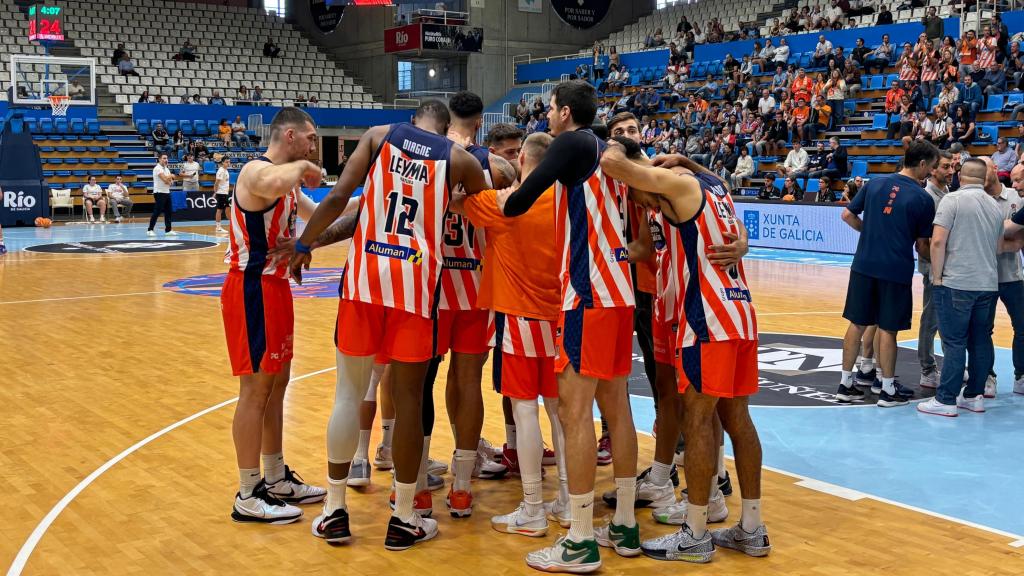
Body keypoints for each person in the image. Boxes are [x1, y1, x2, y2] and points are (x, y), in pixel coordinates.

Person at [288, 101, 488, 550]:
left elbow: (339, 198)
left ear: (414, 121)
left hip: (364, 283)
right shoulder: (457, 159)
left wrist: (305, 243)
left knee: (348, 392)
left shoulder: (379, 135)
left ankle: (335, 510)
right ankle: (403, 517)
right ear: (446, 127)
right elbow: (491, 201)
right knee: (410, 400)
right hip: (417, 288)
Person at [496, 81, 638, 572]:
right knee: (617, 411)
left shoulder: (573, 143)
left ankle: (579, 539)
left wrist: (507, 190)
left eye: (552, 109)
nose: (549, 116)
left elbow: (518, 202)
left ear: (564, 112)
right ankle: (623, 522)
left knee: (574, 415)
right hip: (620, 291)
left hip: (589, 293)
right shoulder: (609, 147)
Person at [601, 145, 768, 563]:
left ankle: (695, 533)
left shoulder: (679, 189)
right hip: (738, 313)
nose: (634, 200)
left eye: (636, 193)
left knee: (696, 421)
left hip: (704, 320)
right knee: (736, 418)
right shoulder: (714, 186)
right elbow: (707, 179)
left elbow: (614, 164)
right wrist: (687, 159)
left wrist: (591, 144)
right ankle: (752, 528)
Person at [449, 131, 568, 537]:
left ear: (524, 161)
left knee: (525, 410)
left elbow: (456, 201)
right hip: (561, 318)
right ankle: (567, 501)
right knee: (561, 412)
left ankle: (533, 506)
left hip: (520, 317)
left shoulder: (506, 203)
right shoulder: (568, 202)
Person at [220, 107, 325, 525]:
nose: (315, 145)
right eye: (311, 138)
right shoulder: (255, 173)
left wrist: (375, 204)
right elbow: (277, 179)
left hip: (276, 288)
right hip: (251, 290)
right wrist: (304, 167)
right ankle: (247, 493)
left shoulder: (289, 183)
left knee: (278, 384)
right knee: (255, 390)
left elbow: (319, 216)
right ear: (289, 136)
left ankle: (276, 477)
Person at [431, 91, 513, 517]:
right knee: (468, 382)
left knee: (420, 384)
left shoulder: (428, 156)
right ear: (480, 124)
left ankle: (414, 485)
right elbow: (516, 183)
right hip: (475, 287)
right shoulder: (494, 166)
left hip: (432, 285)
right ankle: (462, 486)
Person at [836, 142, 939, 407]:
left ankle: (846, 385)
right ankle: (888, 389)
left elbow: (847, 215)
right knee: (888, 329)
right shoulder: (922, 198)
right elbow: (922, 245)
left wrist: (869, 232)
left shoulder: (874, 184)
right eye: (933, 166)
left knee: (856, 323)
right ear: (923, 164)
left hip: (863, 265)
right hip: (895, 268)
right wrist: (942, 263)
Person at [917, 159, 1006, 416]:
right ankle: (974, 395)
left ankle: (945, 400)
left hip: (956, 282)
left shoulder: (952, 200)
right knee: (980, 341)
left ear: (961, 176)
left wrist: (937, 277)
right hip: (987, 284)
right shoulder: (995, 206)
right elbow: (999, 248)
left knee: (954, 342)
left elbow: (937, 243)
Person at [916, 151, 953, 388]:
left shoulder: (947, 193)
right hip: (933, 269)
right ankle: (927, 368)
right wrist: (937, 269)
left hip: (946, 268)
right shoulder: (927, 197)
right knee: (931, 319)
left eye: (953, 167)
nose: (951, 171)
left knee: (946, 319)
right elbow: (922, 243)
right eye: (946, 167)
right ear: (932, 169)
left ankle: (948, 365)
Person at [148, 154, 179, 236]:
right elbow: (165, 180)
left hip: (167, 192)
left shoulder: (166, 169)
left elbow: (170, 182)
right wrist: (171, 176)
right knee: (157, 212)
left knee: (169, 212)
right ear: (159, 159)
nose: (166, 160)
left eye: (167, 158)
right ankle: (150, 230)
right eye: (164, 158)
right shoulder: (157, 168)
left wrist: (169, 179)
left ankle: (168, 230)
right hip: (159, 192)